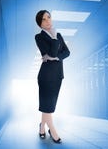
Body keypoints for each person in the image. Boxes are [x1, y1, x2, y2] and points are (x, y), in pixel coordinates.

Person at [35, 10, 70, 144]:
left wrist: (54, 57)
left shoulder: (59, 35)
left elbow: (67, 52)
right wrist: (54, 40)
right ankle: (53, 132)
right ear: (40, 23)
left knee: (48, 105)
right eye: (44, 19)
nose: (48, 21)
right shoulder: (39, 37)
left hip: (58, 75)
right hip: (46, 76)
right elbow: (51, 51)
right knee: (48, 106)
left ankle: (42, 126)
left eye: (49, 17)